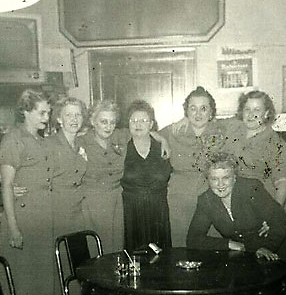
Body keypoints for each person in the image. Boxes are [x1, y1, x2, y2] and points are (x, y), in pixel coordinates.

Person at [186, 152, 286, 295]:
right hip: (250, 248)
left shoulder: (250, 188)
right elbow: (193, 239)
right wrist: (229, 244)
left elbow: (281, 222)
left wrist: (266, 247)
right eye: (214, 179)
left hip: (280, 241)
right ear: (207, 179)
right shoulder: (206, 200)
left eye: (226, 177)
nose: (220, 184)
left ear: (234, 177)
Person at [78, 100, 171, 253]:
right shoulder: (82, 141)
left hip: (122, 206)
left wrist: (162, 139)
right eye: (103, 121)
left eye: (112, 122)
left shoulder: (119, 137)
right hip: (100, 205)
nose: (108, 126)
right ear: (93, 122)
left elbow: (143, 131)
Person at [0, 89, 55, 295]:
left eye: (48, 113)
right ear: (26, 111)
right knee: (16, 284)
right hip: (22, 220)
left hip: (41, 220)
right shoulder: (13, 139)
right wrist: (13, 229)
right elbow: (7, 185)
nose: (46, 117)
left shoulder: (40, 140)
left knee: (37, 286)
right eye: (41, 112)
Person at [160, 86, 227, 247]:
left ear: (211, 112)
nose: (198, 114)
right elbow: (147, 133)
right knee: (181, 245)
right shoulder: (174, 131)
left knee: (212, 245)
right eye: (193, 108)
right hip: (179, 198)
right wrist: (162, 140)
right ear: (186, 111)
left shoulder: (222, 131)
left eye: (203, 109)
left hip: (212, 196)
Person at [45, 97, 91, 295]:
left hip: (76, 209)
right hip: (56, 209)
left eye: (78, 115)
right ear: (59, 119)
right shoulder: (50, 144)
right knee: (56, 267)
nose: (74, 119)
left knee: (69, 263)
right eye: (69, 115)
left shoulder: (81, 143)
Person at [225, 90, 286, 207]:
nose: (250, 114)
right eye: (247, 109)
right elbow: (208, 122)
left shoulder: (274, 141)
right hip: (237, 204)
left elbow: (281, 181)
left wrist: (274, 214)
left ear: (266, 113)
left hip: (264, 203)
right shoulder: (234, 127)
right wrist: (186, 119)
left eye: (257, 110)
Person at [121, 100, 173, 251]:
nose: (138, 124)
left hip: (158, 212)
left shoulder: (163, 148)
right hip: (131, 213)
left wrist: (162, 139)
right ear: (128, 124)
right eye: (134, 120)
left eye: (144, 120)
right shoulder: (120, 146)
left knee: (160, 259)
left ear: (151, 124)